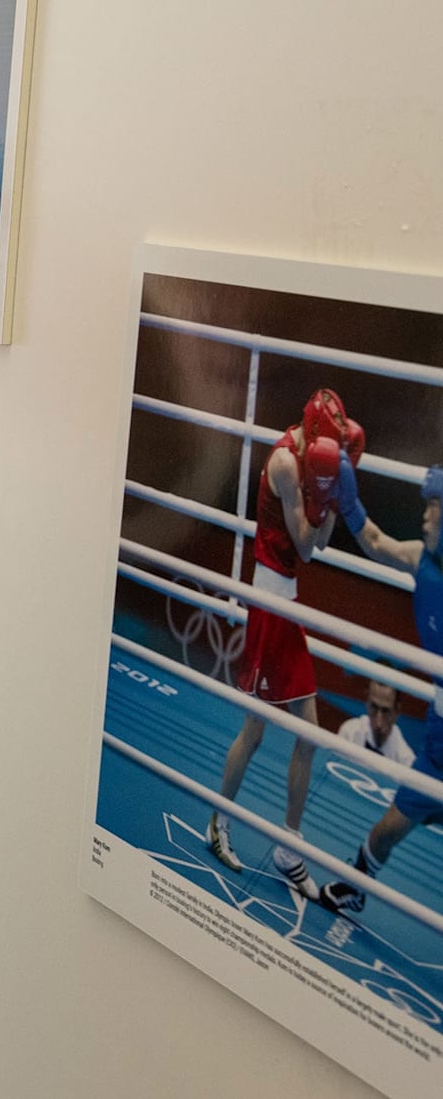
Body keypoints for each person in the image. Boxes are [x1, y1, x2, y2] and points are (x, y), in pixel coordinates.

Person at [205, 388, 362, 898]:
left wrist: (336, 495)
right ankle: (220, 824)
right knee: (256, 730)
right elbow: (305, 545)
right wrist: (328, 497)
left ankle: (289, 847)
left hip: (286, 599)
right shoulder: (286, 465)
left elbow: (316, 550)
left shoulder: (313, 457)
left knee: (305, 733)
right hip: (271, 601)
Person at [318, 463, 443, 915]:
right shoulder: (421, 560)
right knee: (388, 829)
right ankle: (356, 886)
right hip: (438, 741)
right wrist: (348, 503)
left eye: (434, 507)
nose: (425, 517)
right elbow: (374, 542)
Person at [338, 681, 415, 767]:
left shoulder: (406, 761)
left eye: (386, 711)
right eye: (374, 707)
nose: (378, 723)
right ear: (367, 703)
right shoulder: (349, 733)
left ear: (396, 712)